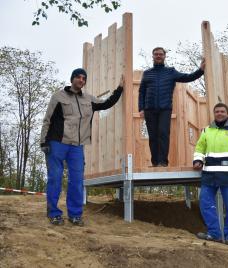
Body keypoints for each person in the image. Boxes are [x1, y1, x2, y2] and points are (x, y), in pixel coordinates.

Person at [40, 68, 125, 226]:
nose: (81, 80)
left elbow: (107, 103)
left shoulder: (88, 99)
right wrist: (43, 142)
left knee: (77, 180)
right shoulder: (58, 96)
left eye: (83, 78)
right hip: (57, 142)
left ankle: (75, 215)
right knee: (55, 179)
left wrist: (119, 89)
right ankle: (53, 213)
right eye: (78, 77)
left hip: (77, 146)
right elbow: (47, 119)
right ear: (72, 79)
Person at [193, 103, 228, 246]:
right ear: (214, 113)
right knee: (205, 203)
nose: (219, 113)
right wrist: (198, 160)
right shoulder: (206, 130)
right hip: (209, 175)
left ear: (227, 113)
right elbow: (200, 147)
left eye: (222, 111)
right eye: (217, 111)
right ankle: (214, 234)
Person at [138, 47, 205, 167]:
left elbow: (187, 77)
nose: (158, 56)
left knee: (163, 134)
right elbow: (141, 92)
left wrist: (200, 70)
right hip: (149, 109)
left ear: (164, 56)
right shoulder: (147, 73)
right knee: (153, 136)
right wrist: (141, 108)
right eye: (156, 54)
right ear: (153, 56)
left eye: (161, 54)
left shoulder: (171, 72)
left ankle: (163, 162)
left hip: (165, 108)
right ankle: (155, 162)